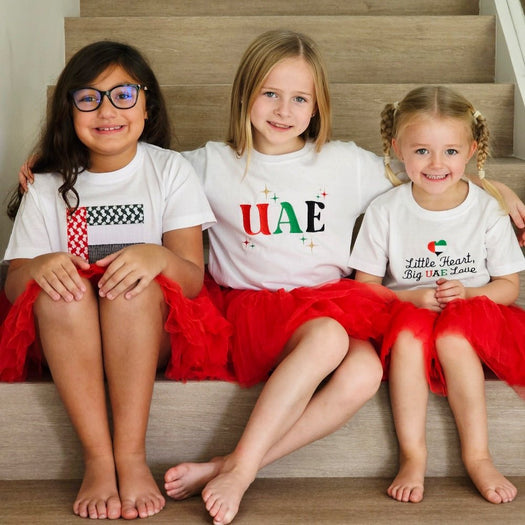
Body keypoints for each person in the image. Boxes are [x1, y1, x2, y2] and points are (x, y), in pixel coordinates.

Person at [14, 32, 525, 525]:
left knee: (365, 373)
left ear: (317, 106)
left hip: (329, 303)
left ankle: (235, 463)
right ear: (244, 95)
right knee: (329, 339)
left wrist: (492, 186)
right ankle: (238, 471)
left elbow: (427, 167)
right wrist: (55, 157)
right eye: (270, 94)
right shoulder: (208, 164)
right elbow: (129, 159)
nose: (284, 110)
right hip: (250, 309)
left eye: (300, 98)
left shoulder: (346, 163)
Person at [0, 41, 223, 520]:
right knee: (60, 293)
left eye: (123, 95)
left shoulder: (169, 170)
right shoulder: (46, 185)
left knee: (127, 291)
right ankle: (98, 460)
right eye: (88, 98)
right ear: (69, 110)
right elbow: (14, 286)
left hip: (148, 331)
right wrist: (37, 267)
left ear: (147, 106)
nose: (106, 110)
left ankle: (131, 456)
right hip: (69, 333)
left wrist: (157, 256)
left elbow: (191, 279)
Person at [348, 85, 525, 506]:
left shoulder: (487, 209)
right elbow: (364, 286)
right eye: (422, 151)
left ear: (470, 151)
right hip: (406, 312)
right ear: (398, 149)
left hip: (474, 313)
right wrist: (410, 299)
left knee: (453, 336)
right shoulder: (386, 210)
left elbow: (509, 285)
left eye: (450, 151)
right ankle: (413, 455)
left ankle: (478, 456)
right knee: (409, 338)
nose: (436, 163)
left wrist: (470, 293)